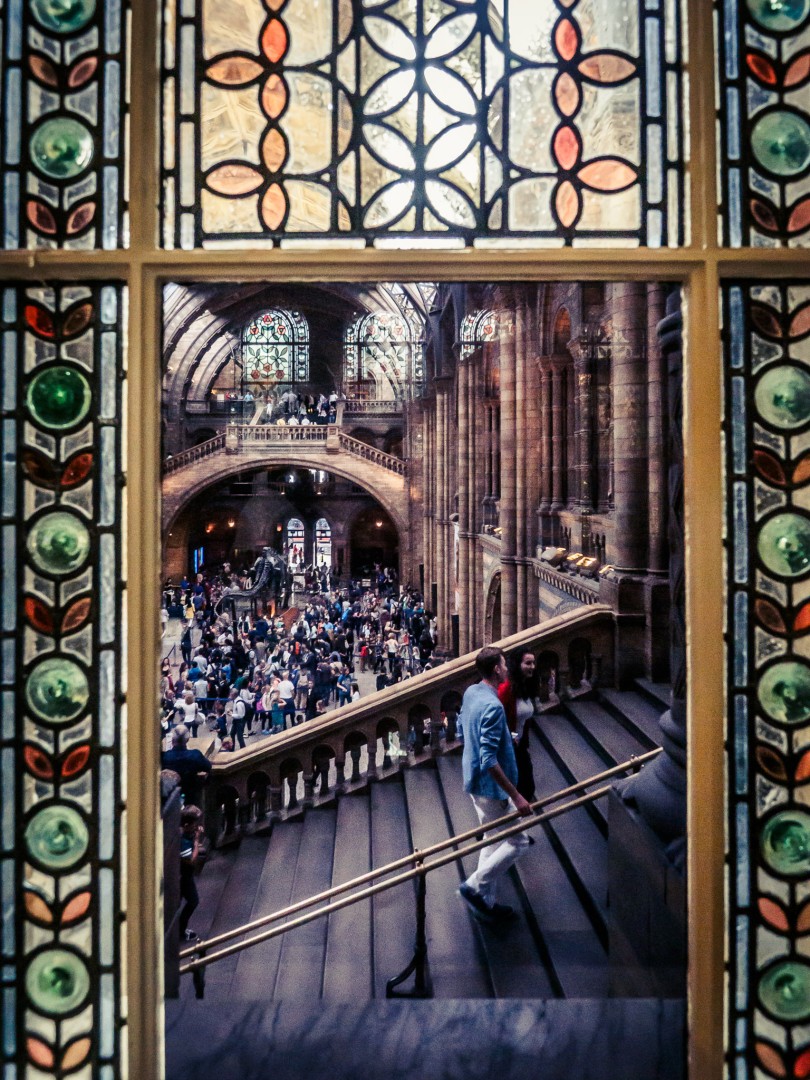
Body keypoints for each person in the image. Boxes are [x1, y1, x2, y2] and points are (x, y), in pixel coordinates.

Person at [457, 646, 532, 924]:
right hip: (492, 788)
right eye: (504, 664)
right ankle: (475, 886)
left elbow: (467, 729)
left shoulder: (472, 692)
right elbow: (489, 759)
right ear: (497, 670)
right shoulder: (493, 705)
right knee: (519, 841)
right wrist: (517, 796)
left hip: (474, 780)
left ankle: (485, 902)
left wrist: (505, 739)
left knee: (492, 838)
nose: (507, 668)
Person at [498, 649, 539, 803]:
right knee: (521, 788)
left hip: (519, 746)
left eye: (533, 663)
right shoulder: (507, 689)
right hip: (508, 748)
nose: (532, 667)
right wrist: (511, 737)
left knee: (526, 787)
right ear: (517, 665)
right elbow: (497, 718)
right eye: (528, 663)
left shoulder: (525, 686)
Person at [161, 724, 212, 807]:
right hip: (190, 797)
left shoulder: (165, 757)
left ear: (173, 739)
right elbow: (208, 766)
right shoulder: (195, 755)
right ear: (187, 739)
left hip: (168, 798)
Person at [178, 804, 204, 941]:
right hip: (183, 876)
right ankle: (180, 930)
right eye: (195, 824)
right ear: (187, 824)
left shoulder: (186, 833)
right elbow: (191, 860)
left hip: (184, 876)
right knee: (193, 901)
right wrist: (196, 842)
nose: (197, 826)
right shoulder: (182, 840)